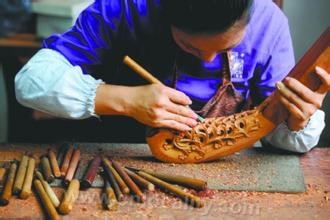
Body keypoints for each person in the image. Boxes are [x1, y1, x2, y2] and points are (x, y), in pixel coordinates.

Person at [15, 0, 329, 152]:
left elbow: (276, 132)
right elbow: (30, 81)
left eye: (226, 47)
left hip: (231, 173)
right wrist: (125, 99)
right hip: (122, 164)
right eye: (188, 46)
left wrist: (295, 121)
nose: (206, 59)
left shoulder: (268, 23)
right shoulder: (126, 6)